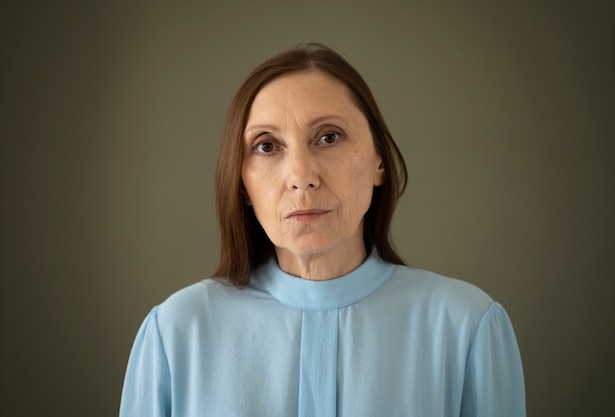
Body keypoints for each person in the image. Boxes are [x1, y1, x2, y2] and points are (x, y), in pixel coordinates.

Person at [119, 43, 525, 417]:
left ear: (380, 162)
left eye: (329, 137)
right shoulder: (175, 334)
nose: (301, 177)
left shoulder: (468, 326)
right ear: (242, 184)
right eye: (266, 146)